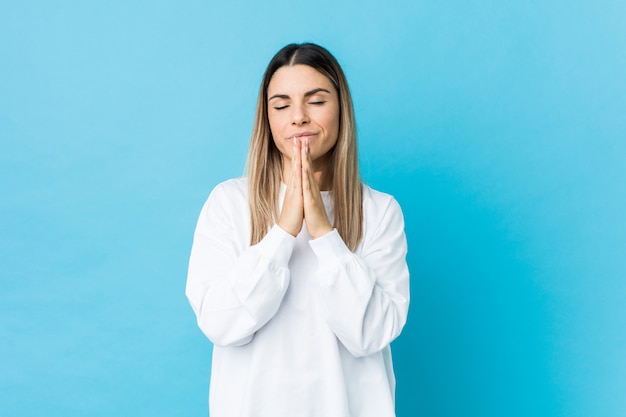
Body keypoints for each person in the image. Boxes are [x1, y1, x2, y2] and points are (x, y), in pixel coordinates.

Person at [186, 42, 410, 417]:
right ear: (268, 117)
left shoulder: (380, 211)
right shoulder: (228, 203)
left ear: (341, 109)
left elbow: (371, 333)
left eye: (316, 101)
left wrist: (324, 234)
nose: (299, 117)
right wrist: (282, 233)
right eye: (282, 104)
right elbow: (220, 324)